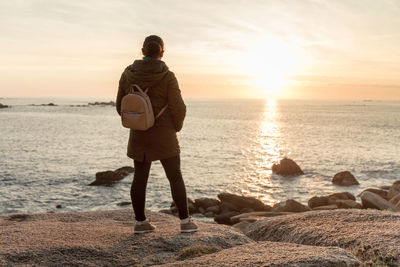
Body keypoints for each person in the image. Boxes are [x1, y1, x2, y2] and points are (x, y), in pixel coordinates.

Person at [116, 35, 198, 234]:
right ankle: (185, 222)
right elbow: (179, 107)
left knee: (140, 177)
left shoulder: (128, 74)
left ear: (143, 51)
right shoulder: (167, 75)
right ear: (162, 52)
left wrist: (138, 121)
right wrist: (175, 127)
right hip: (164, 134)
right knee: (174, 176)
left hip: (139, 133)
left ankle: (140, 223)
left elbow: (120, 105)